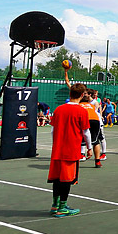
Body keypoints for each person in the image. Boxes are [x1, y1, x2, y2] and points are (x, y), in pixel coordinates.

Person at [47, 82, 92, 217]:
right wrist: (89, 148)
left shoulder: (58, 109)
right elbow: (86, 132)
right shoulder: (81, 111)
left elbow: (52, 130)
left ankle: (55, 205)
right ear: (83, 95)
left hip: (57, 150)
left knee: (56, 178)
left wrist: (56, 144)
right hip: (70, 150)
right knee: (66, 179)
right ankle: (62, 208)